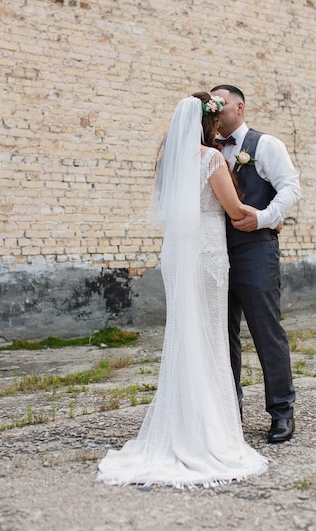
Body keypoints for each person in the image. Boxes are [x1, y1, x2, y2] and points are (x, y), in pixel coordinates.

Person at [97, 92, 268, 488]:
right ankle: (206, 431)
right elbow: (232, 209)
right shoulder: (210, 158)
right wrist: (266, 219)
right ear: (209, 122)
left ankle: (180, 424)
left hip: (175, 251)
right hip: (206, 250)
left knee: (184, 335)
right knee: (208, 335)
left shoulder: (169, 162)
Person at [211, 84, 301, 444]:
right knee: (222, 333)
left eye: (221, 105)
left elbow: (291, 187)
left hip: (255, 250)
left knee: (266, 329)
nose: (215, 113)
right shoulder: (209, 150)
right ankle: (230, 410)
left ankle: (282, 411)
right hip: (216, 251)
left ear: (240, 107)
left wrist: (266, 217)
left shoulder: (266, 145)